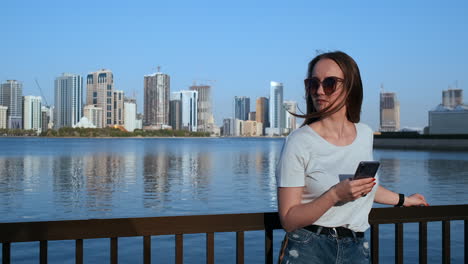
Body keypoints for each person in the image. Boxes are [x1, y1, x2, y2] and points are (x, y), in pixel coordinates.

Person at [276, 51, 428, 264]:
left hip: (356, 248)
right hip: (309, 248)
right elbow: (289, 219)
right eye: (313, 83)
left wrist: (404, 200)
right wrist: (334, 195)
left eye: (329, 83)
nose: (319, 91)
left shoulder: (365, 134)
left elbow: (365, 187)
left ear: (350, 87)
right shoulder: (299, 141)